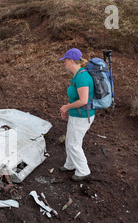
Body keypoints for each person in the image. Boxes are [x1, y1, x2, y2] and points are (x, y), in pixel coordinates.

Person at [58, 48, 95, 182]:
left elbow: (83, 100)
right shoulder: (77, 75)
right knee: (70, 141)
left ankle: (83, 171)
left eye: (65, 61)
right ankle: (70, 164)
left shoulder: (82, 77)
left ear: (71, 61)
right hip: (77, 115)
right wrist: (68, 109)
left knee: (74, 144)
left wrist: (66, 107)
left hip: (82, 116)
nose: (64, 64)